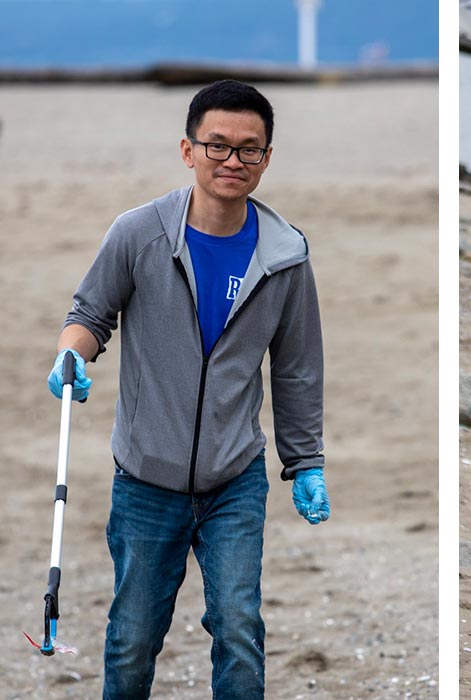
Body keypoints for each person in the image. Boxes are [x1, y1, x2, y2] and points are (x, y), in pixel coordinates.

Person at [50, 79, 327, 699]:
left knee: (239, 629)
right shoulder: (138, 232)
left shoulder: (286, 254)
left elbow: (297, 367)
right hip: (146, 477)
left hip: (236, 477)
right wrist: (72, 355)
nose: (233, 161)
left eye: (249, 149)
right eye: (218, 146)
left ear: (267, 158)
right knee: (132, 640)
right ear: (188, 150)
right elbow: (91, 314)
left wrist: (305, 462)